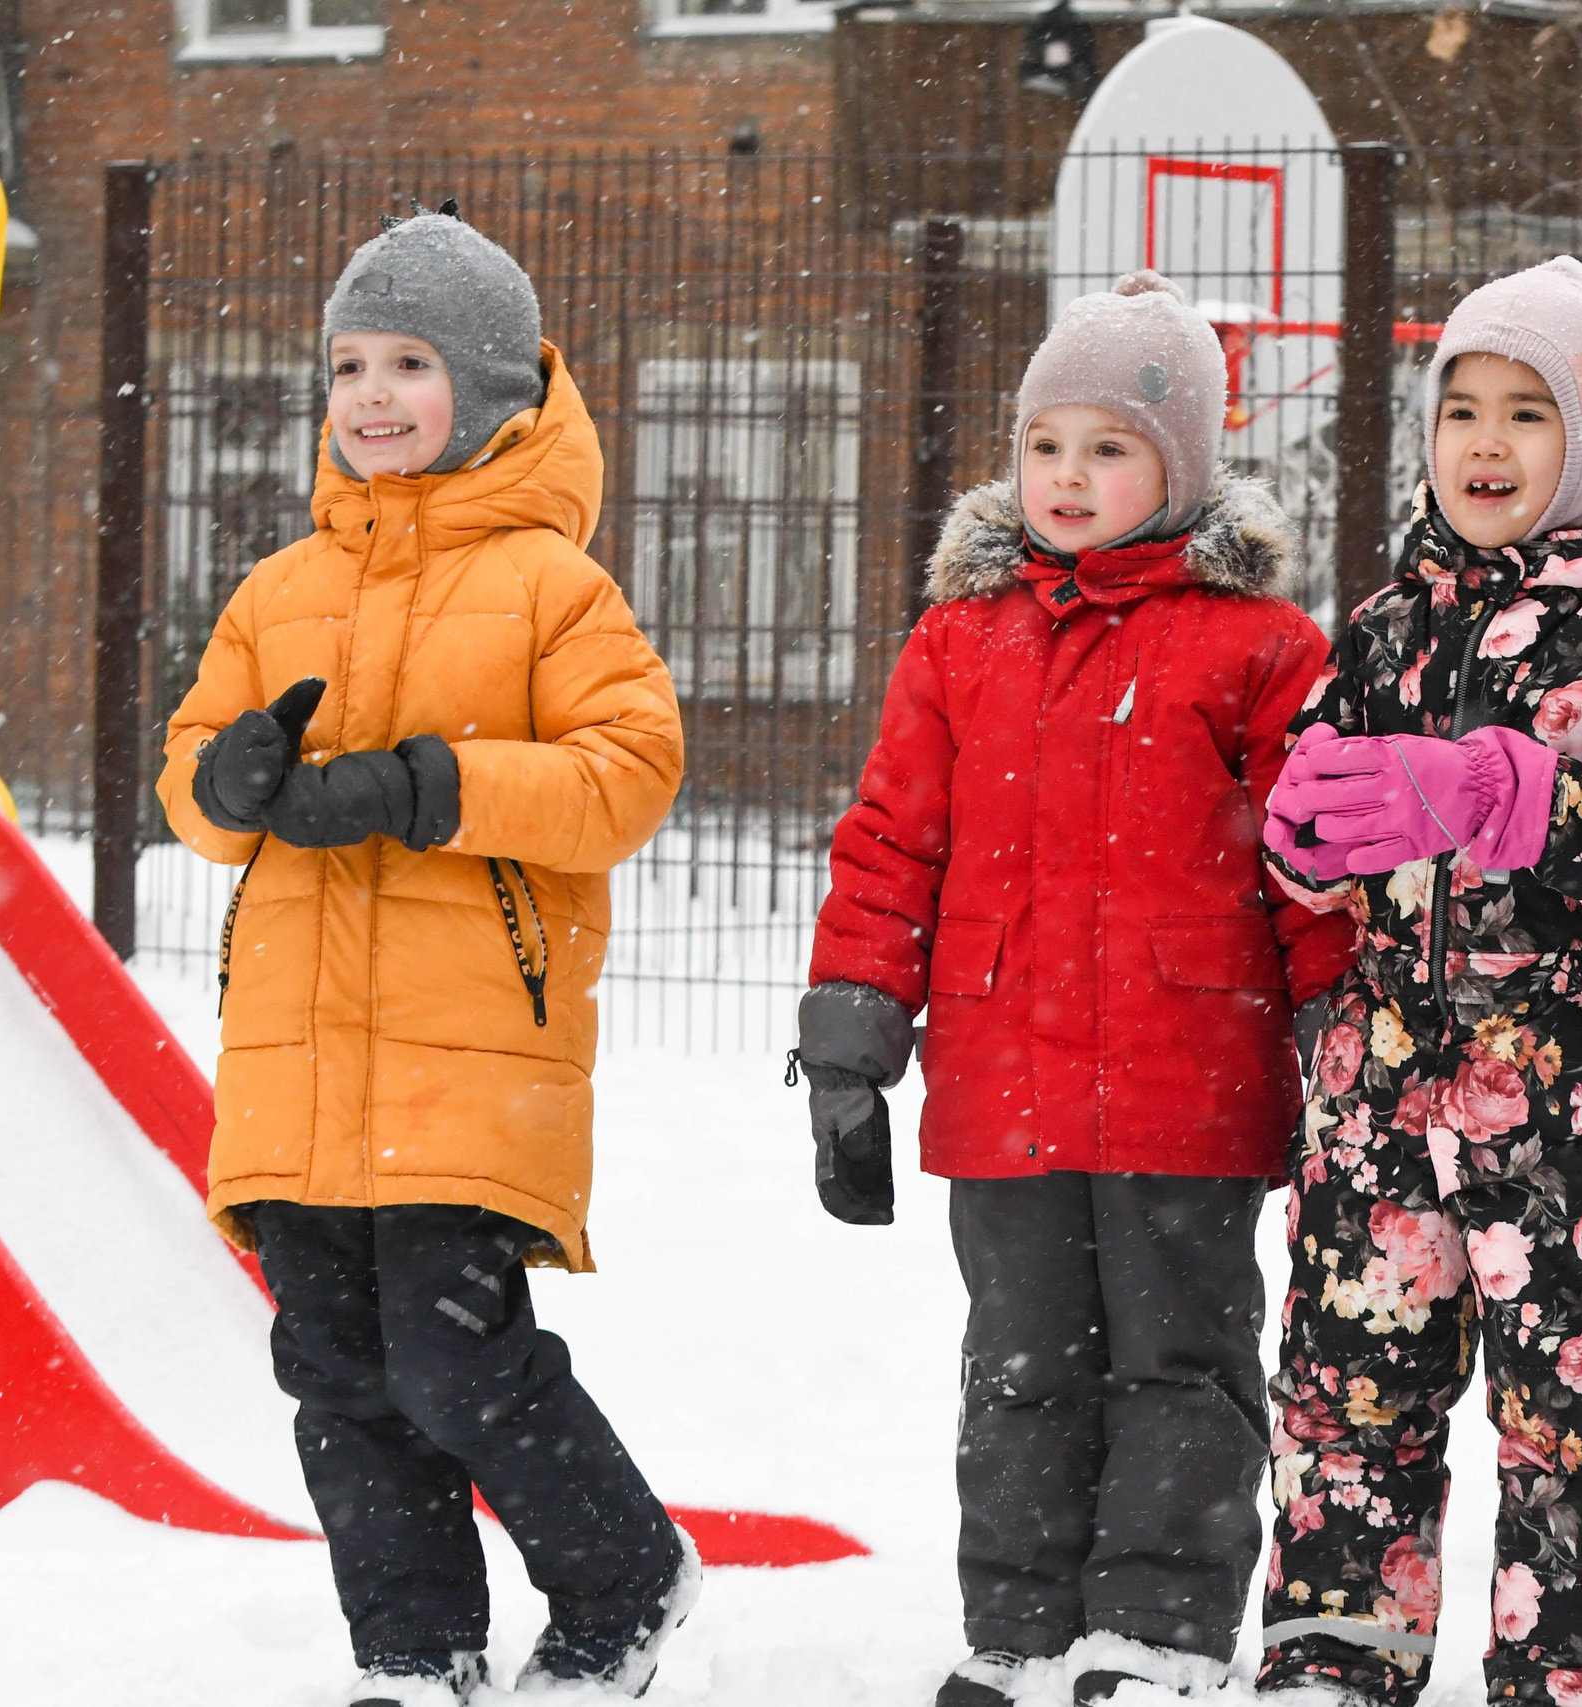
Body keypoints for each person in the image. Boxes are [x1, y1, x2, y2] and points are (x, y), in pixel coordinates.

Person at [794, 272, 1356, 1707]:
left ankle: (1155, 1633)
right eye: (1049, 444)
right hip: (1006, 1079)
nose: (1069, 476)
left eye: (1111, 447)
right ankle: (1023, 1628)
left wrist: (1336, 1029)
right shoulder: (959, 643)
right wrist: (856, 1033)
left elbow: (1312, 867)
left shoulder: (1260, 650)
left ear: (1181, 469)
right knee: (1022, 1368)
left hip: (1190, 1078)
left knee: (1180, 1361)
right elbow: (891, 841)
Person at [158, 206, 694, 1707]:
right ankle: (413, 1649)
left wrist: (430, 785)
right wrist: (231, 781)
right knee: (337, 1379)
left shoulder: (551, 587)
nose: (373, 395)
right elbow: (189, 767)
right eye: (349, 365)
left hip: (473, 1058)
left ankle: (620, 1577)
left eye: (410, 362)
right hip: (300, 1059)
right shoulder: (278, 592)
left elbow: (627, 773)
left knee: (456, 1362)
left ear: (496, 392)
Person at [1257, 256, 1582, 1707]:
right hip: (1379, 1091)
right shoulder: (1385, 625)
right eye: (1460, 408)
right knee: (1350, 1399)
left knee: (1579, 1416)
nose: (1484, 442)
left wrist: (1516, 798)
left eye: (1527, 413)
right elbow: (1315, 791)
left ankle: (1565, 1675)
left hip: (1564, 1108)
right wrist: (1298, 840)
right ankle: (1333, 1664)